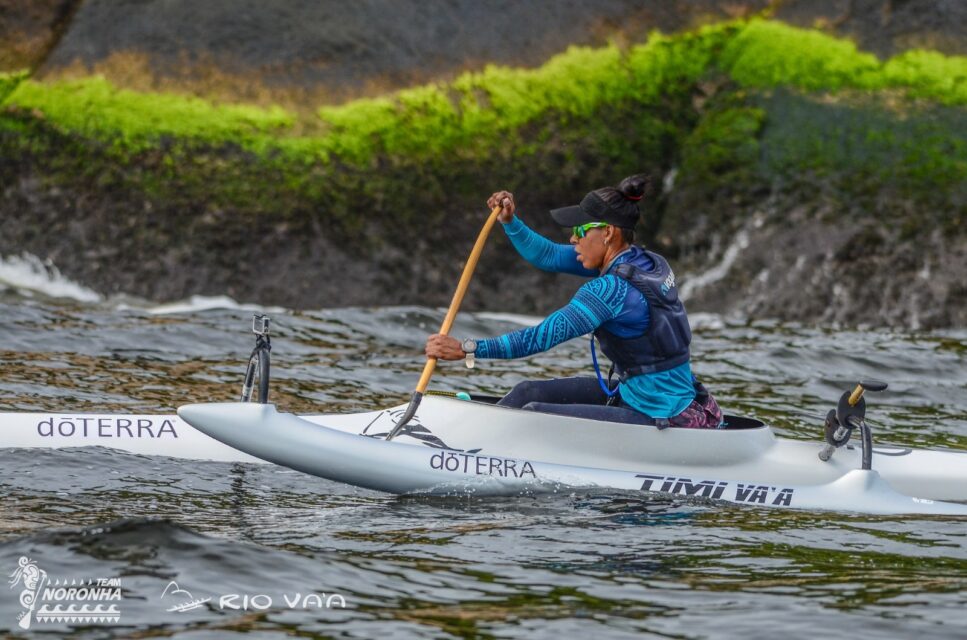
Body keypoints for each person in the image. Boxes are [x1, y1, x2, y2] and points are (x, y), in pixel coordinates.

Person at [425, 175, 723, 429]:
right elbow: (549, 255)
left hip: (662, 415)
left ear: (608, 232)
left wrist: (467, 349)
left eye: (580, 231)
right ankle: (468, 439)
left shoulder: (610, 292)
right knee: (527, 391)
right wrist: (510, 221)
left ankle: (474, 452)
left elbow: (539, 338)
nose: (572, 239)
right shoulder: (648, 262)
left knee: (534, 415)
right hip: (644, 395)